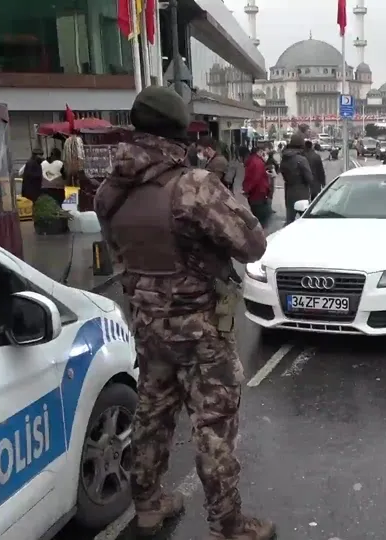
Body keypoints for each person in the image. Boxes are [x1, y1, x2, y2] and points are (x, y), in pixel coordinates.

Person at [94, 86, 275, 540]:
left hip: (146, 325)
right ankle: (228, 523)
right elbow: (252, 244)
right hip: (199, 329)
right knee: (213, 424)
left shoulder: (110, 191)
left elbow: (122, 253)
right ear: (181, 131)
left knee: (152, 416)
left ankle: (149, 506)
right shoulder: (193, 185)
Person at [279, 133, 314, 225]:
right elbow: (309, 178)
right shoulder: (301, 160)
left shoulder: (284, 158)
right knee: (307, 220)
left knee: (289, 221)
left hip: (289, 192)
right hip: (302, 193)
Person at [243, 145, 272, 227]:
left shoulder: (252, 161)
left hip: (254, 194)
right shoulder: (258, 162)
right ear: (259, 151)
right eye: (263, 152)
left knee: (258, 214)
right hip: (259, 193)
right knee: (262, 219)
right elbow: (256, 178)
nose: (264, 154)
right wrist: (247, 190)